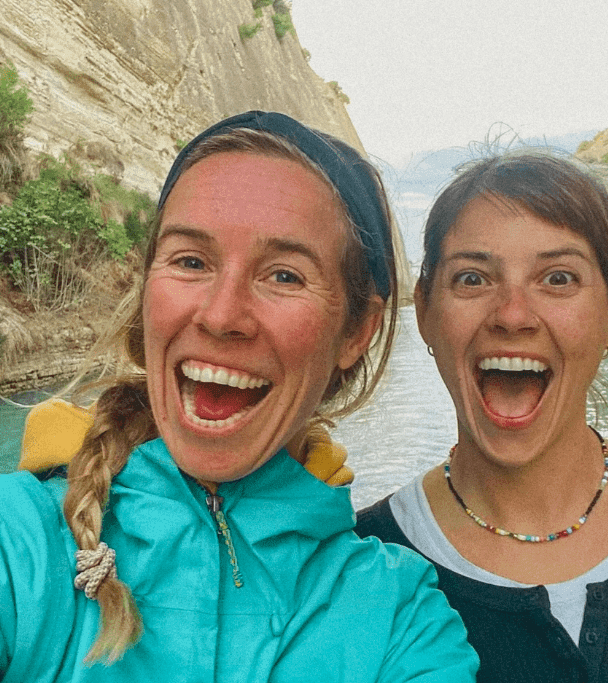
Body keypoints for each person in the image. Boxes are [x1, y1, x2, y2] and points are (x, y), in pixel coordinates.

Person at [0, 111, 479, 682]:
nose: (222, 314)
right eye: (191, 261)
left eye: (284, 276)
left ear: (356, 332)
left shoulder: (401, 619)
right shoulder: (18, 543)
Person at [356, 152, 608, 682]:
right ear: (424, 313)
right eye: (472, 279)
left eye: (557, 278)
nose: (512, 314)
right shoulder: (361, 570)